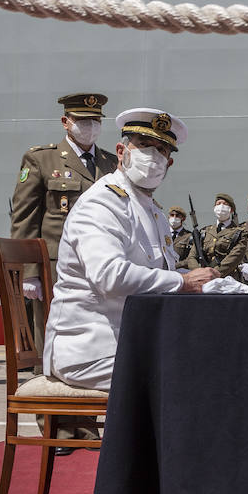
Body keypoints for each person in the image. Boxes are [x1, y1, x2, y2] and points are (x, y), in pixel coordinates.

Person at [43, 107, 218, 393]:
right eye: (144, 145)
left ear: (169, 164)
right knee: (194, 374)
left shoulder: (153, 212)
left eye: (161, 150)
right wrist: (183, 282)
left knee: (214, 357)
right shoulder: (101, 204)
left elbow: (160, 273)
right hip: (90, 349)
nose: (153, 156)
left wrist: (203, 280)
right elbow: (109, 276)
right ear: (121, 151)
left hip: (130, 342)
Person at [10, 92, 117, 346]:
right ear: (65, 121)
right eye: (82, 120)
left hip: (103, 261)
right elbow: (25, 218)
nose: (90, 127)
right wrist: (29, 272)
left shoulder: (111, 163)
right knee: (53, 328)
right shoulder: (41, 159)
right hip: (56, 264)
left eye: (95, 121)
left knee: (98, 327)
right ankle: (44, 378)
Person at [200, 193, 246, 279]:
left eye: (225, 204)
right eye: (218, 204)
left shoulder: (240, 232)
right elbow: (192, 256)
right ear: (214, 208)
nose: (221, 206)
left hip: (228, 278)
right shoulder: (205, 231)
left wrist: (213, 274)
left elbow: (234, 258)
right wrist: (199, 272)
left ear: (231, 210)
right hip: (204, 278)